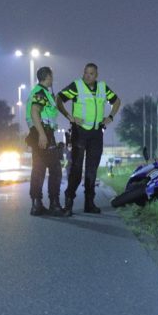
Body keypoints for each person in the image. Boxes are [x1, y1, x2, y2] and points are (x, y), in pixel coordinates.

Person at [56, 63, 122, 215]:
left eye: (91, 74)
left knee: (92, 170)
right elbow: (58, 98)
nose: (87, 76)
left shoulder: (102, 87)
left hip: (96, 133)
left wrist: (110, 117)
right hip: (79, 132)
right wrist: (69, 117)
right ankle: (69, 202)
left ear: (96, 75)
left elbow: (117, 101)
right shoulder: (76, 86)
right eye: (86, 73)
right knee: (76, 170)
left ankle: (89, 203)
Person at [25, 66, 65, 216]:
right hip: (43, 132)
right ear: (48, 76)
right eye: (51, 76)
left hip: (38, 132)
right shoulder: (40, 92)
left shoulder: (41, 92)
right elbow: (35, 112)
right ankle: (54, 204)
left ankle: (37, 204)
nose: (52, 79)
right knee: (55, 169)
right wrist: (42, 135)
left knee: (39, 169)